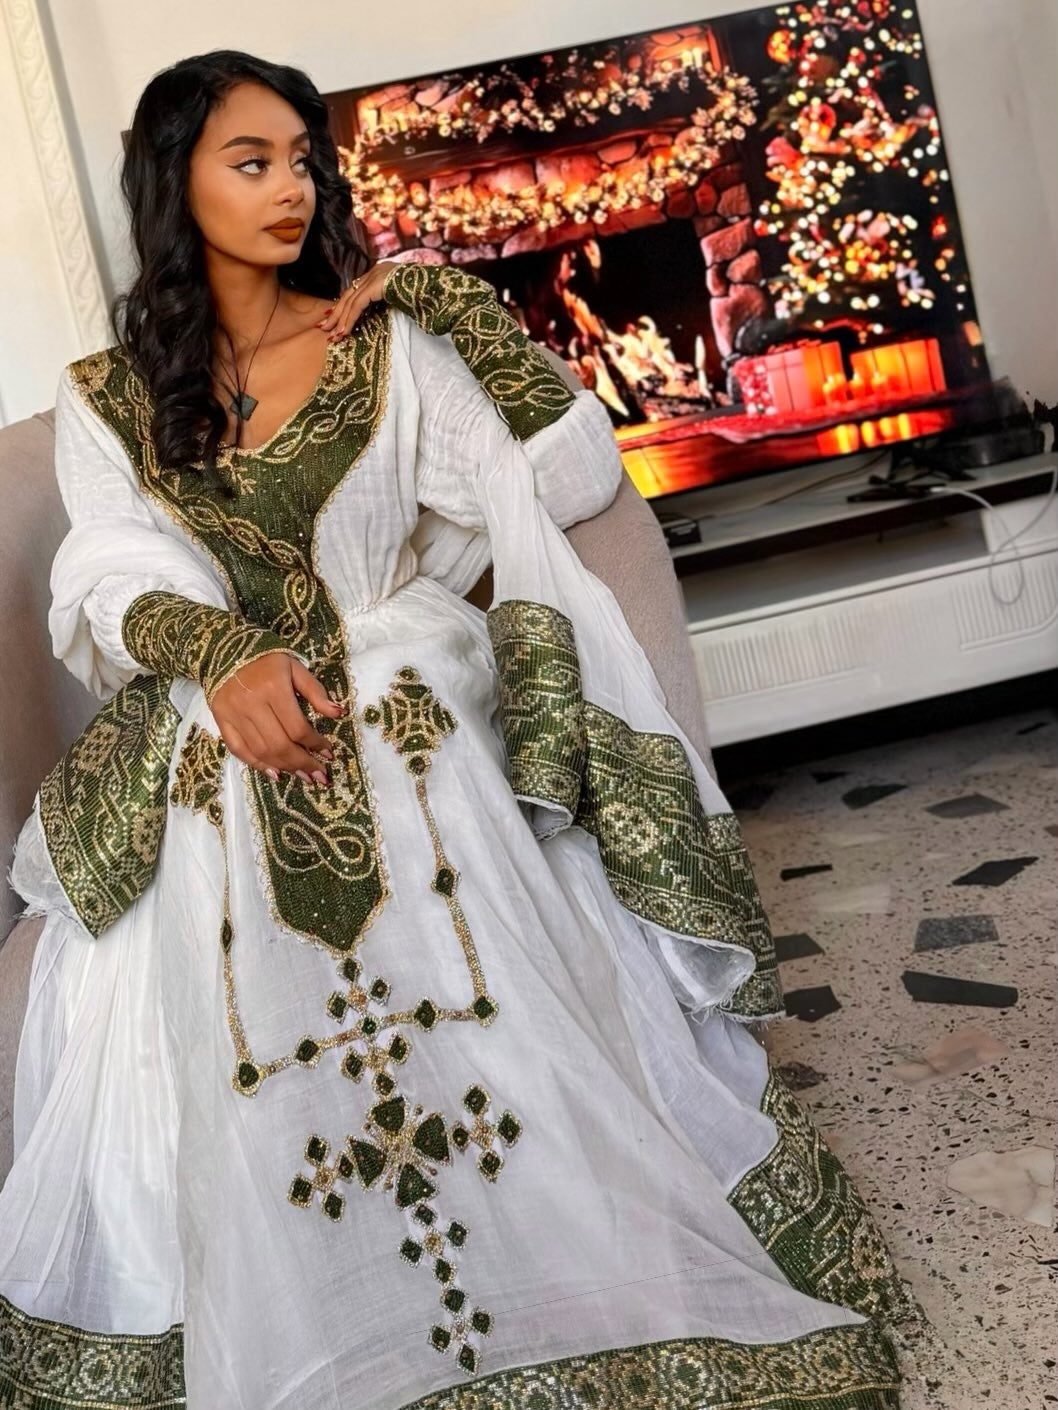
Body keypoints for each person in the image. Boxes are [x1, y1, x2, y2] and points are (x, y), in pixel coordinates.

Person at [0, 49, 929, 1410]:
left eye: (301, 160)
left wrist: (466, 313)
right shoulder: (105, 397)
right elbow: (107, 572)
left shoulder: (392, 343)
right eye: (248, 160)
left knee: (414, 763)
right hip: (208, 714)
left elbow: (569, 476)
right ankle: (298, 1294)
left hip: (406, 681)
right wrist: (222, 655)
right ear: (172, 184)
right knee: (207, 833)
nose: (288, 187)